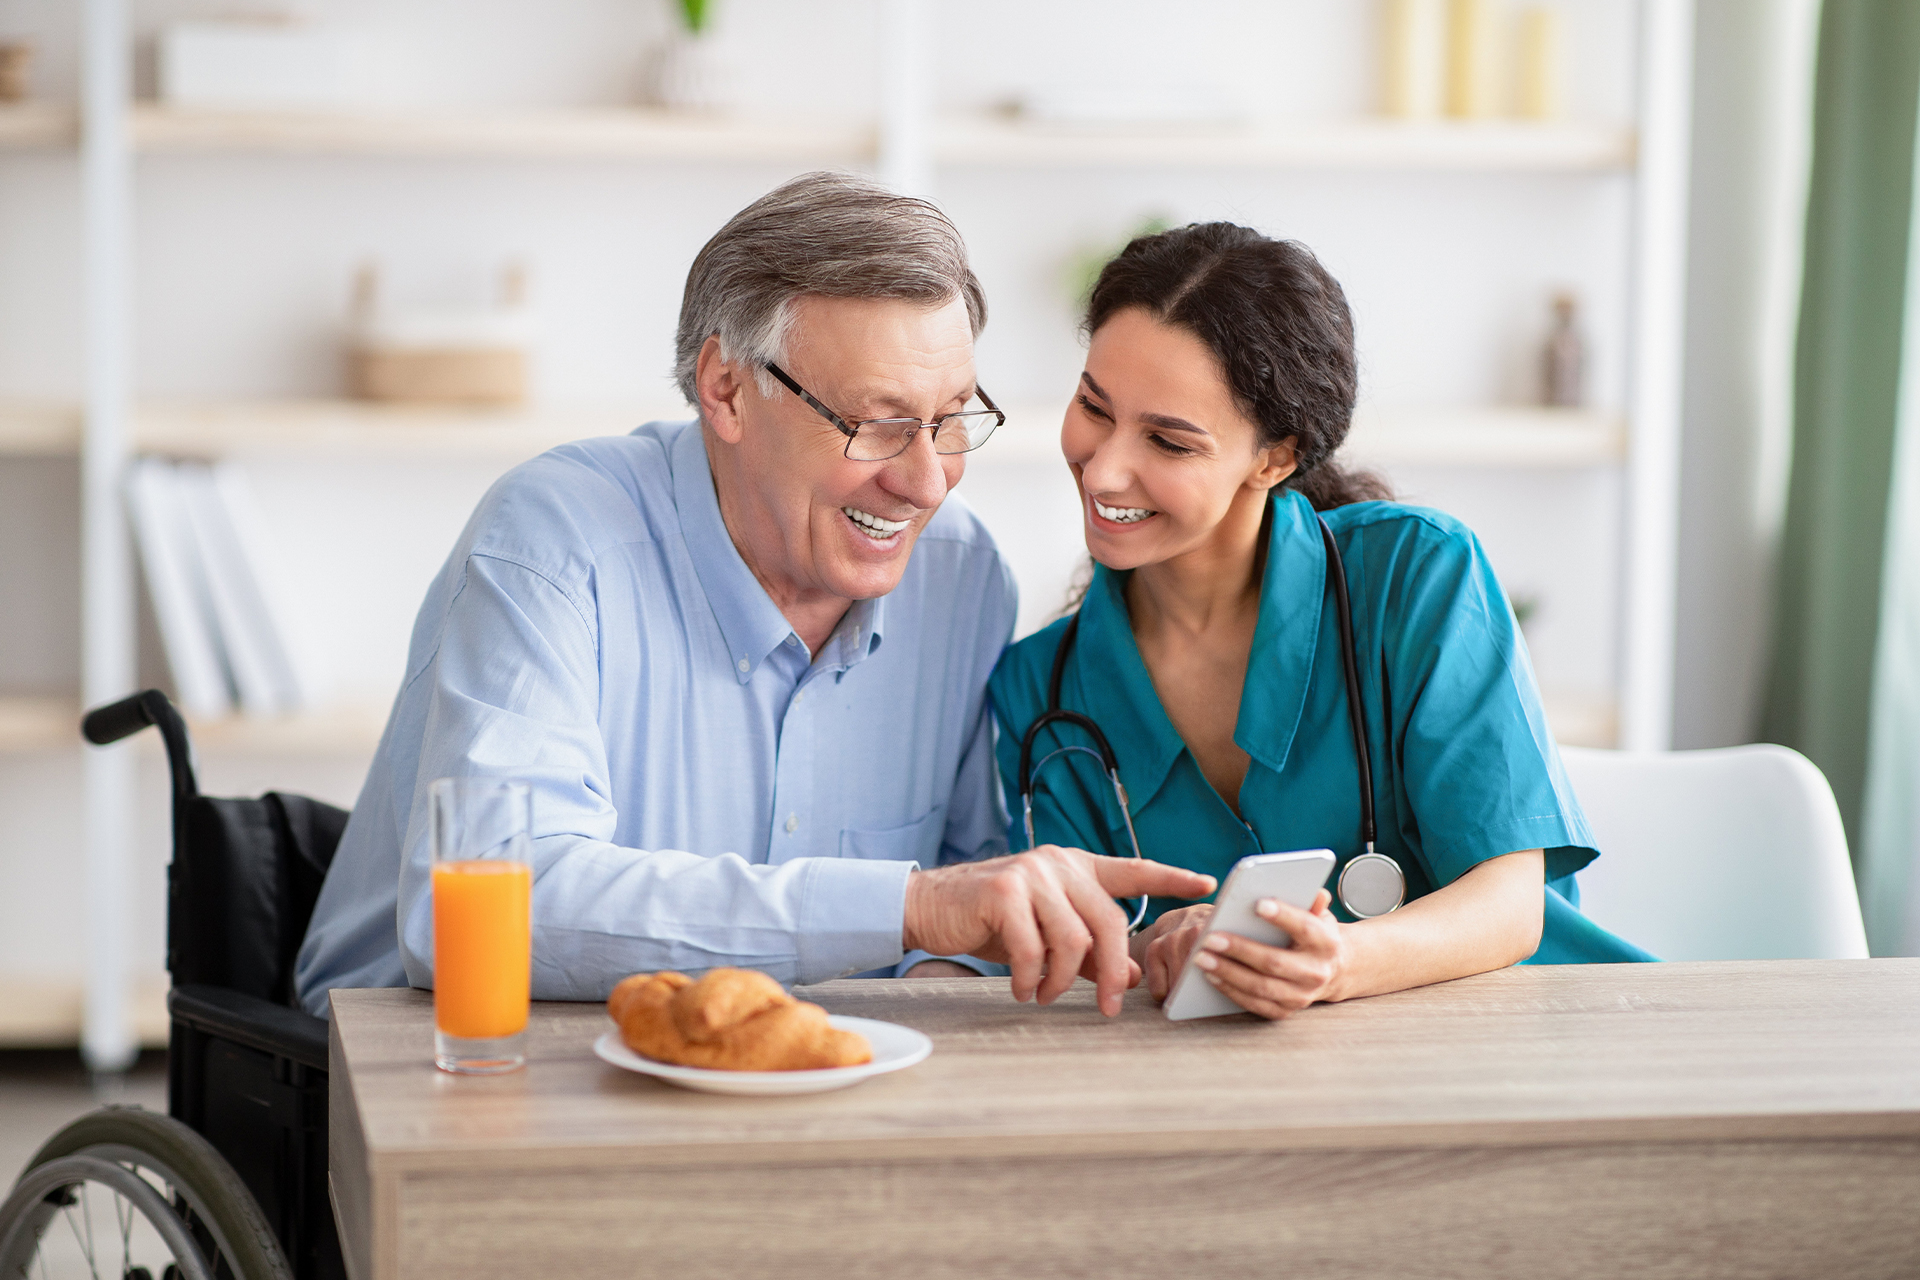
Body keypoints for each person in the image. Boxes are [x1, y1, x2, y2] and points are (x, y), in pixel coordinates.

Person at [294, 173, 1213, 1021]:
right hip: (433, 1062)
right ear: (726, 388)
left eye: (949, 422)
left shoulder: (960, 575)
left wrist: (998, 953)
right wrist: (913, 910)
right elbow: (486, 910)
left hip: (769, 1086)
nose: (929, 482)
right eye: (881, 425)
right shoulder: (556, 542)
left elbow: (972, 887)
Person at [988, 222, 1654, 1022]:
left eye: (1167, 439)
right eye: (1094, 408)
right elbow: (1084, 946)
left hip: (1531, 1039)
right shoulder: (1042, 689)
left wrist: (1335, 961)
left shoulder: (1417, 574)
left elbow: (1512, 905)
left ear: (1274, 458)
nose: (1103, 468)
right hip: (1247, 1101)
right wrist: (1165, 945)